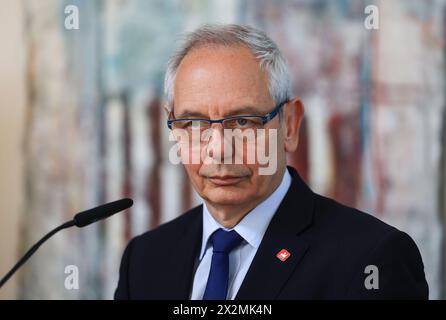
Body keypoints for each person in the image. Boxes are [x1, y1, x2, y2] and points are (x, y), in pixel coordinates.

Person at [114, 24, 428, 300]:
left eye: (243, 122)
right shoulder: (144, 260)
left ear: (289, 125)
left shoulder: (371, 259)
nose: (219, 149)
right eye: (194, 124)